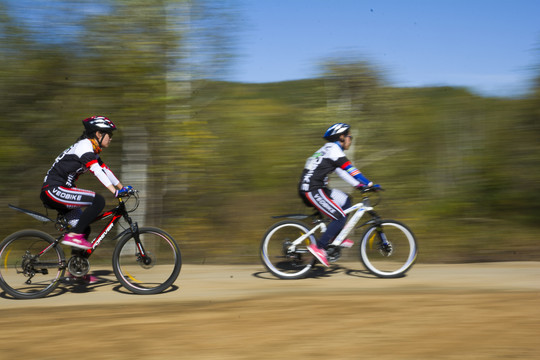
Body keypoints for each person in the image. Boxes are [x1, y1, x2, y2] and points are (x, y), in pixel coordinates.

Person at [40, 116, 132, 281]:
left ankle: (75, 271)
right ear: (98, 133)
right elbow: (96, 171)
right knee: (98, 201)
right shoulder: (84, 146)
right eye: (109, 134)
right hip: (54, 189)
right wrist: (114, 192)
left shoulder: (92, 149)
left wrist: (122, 188)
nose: (111, 138)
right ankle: (74, 236)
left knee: (85, 228)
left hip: (62, 190)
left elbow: (105, 170)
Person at [298, 123, 378, 267]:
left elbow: (343, 172)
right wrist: (369, 183)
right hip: (312, 189)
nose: (350, 139)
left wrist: (359, 186)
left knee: (346, 200)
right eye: (349, 136)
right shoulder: (334, 149)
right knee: (340, 216)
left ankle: (335, 238)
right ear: (341, 137)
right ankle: (319, 247)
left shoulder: (329, 149)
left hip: (317, 188)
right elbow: (351, 169)